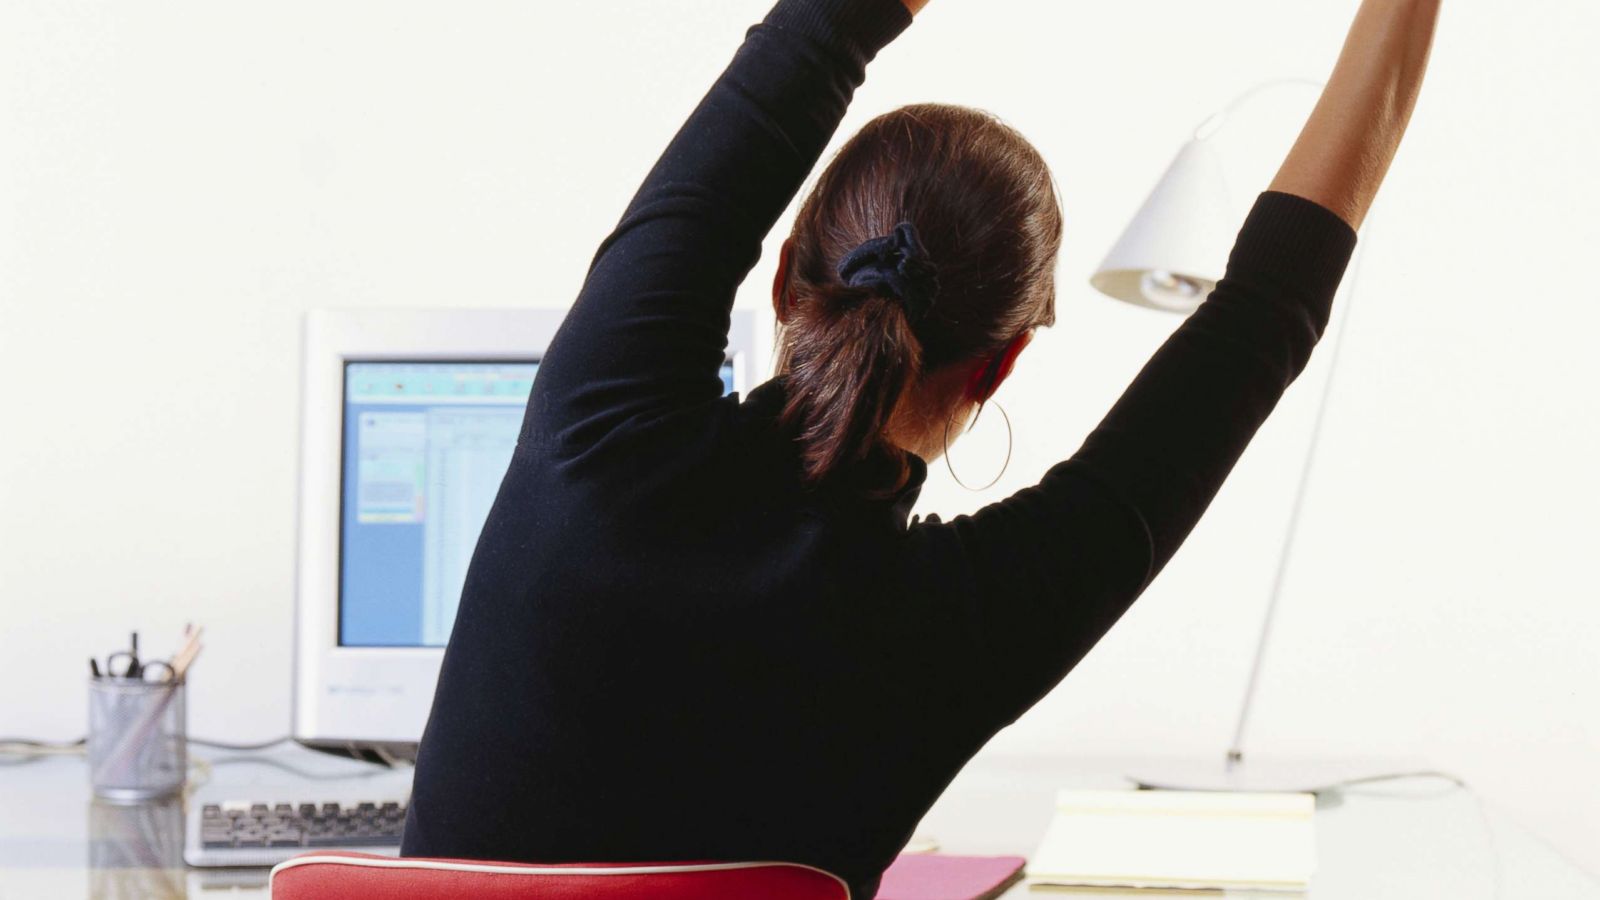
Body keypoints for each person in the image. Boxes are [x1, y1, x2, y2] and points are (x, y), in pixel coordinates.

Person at [401, 0, 1440, 895]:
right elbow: (1266, 313)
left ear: (782, 281)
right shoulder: (964, 624)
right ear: (1001, 367)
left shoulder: (601, 422)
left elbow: (804, 50)